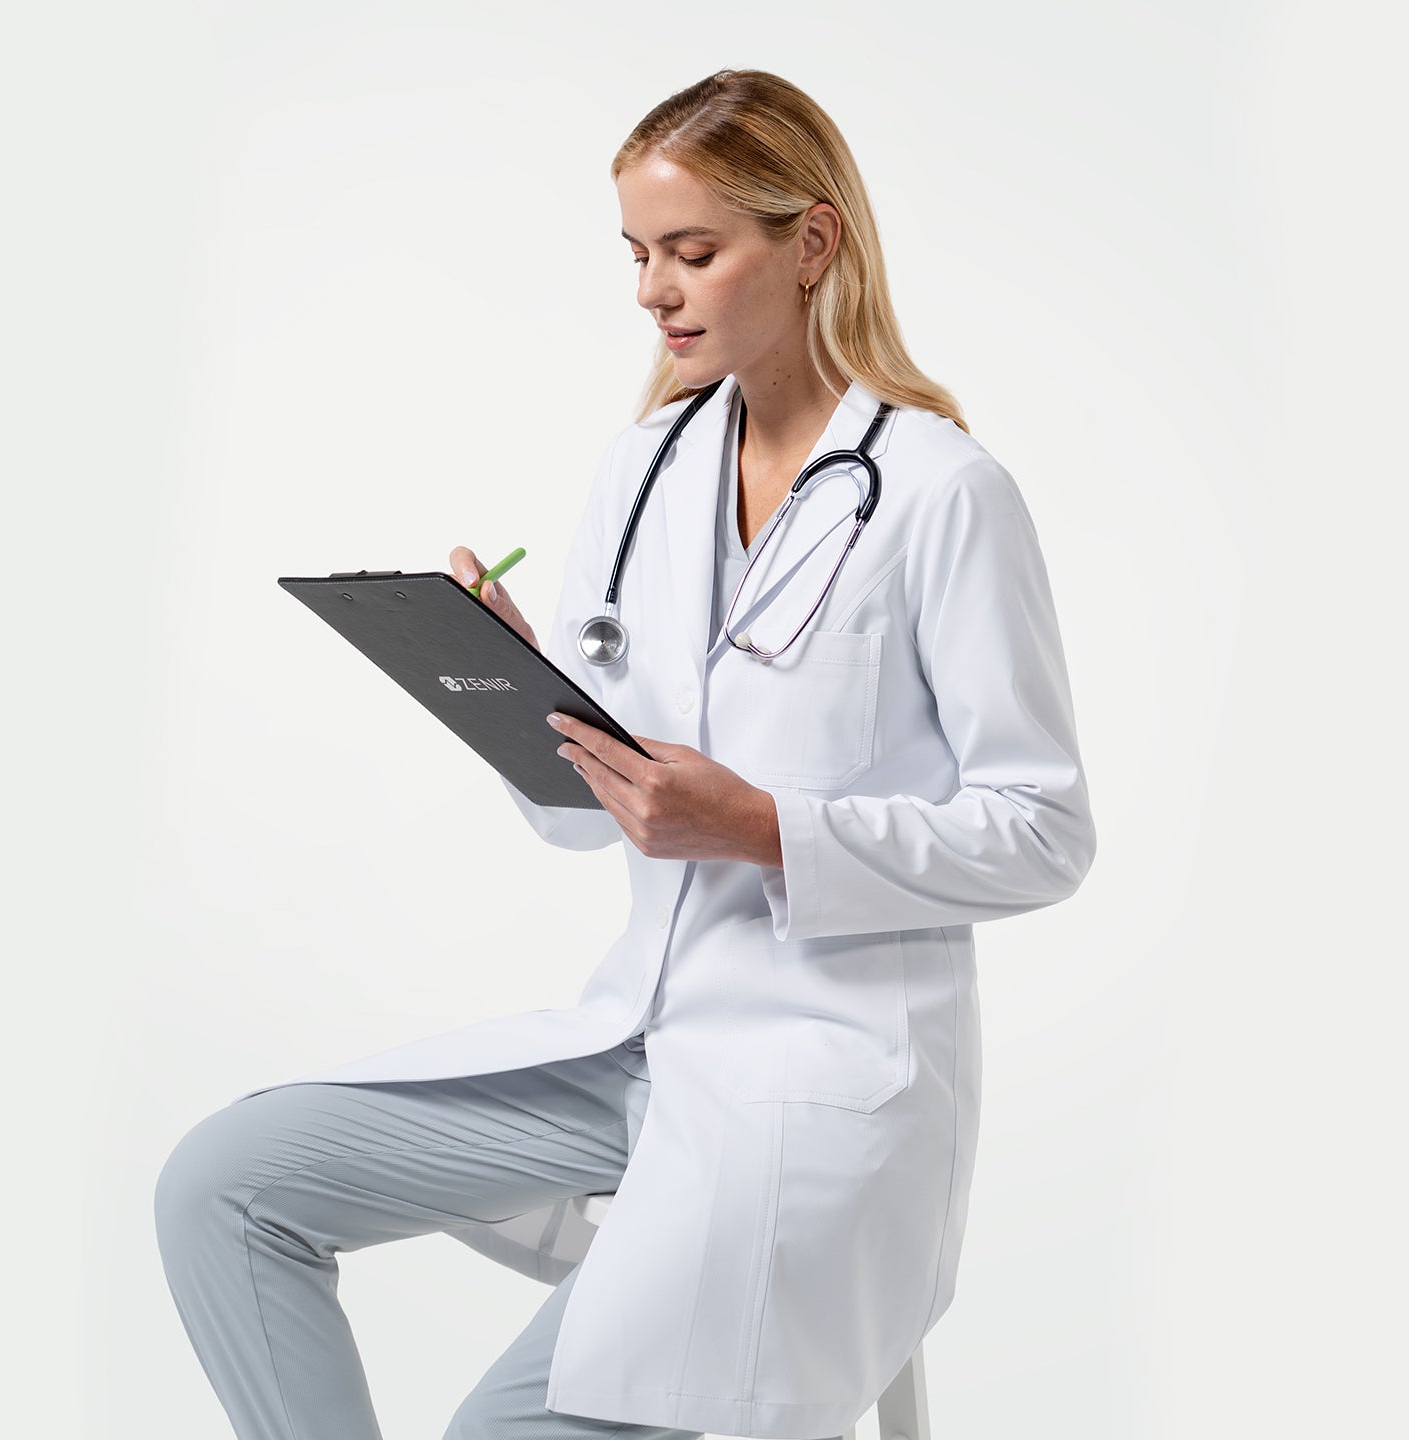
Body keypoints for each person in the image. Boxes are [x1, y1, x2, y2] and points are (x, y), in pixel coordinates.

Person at [154, 68, 1096, 1440]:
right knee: (225, 1184)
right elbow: (592, 814)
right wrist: (509, 689)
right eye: (639, 253)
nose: (654, 289)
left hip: (821, 1088)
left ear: (812, 244)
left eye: (693, 251)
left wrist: (768, 827)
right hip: (640, 1042)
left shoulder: (944, 495)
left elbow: (1043, 830)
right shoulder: (647, 464)